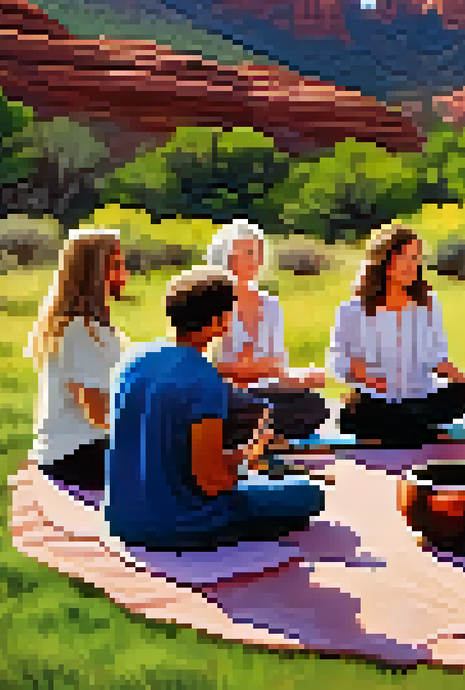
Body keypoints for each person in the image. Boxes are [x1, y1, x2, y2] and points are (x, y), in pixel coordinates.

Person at [105, 266, 326, 551]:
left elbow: (168, 452)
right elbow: (211, 482)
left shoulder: (132, 360)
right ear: (220, 320)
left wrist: (242, 454)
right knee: (308, 494)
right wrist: (248, 465)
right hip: (175, 525)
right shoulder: (203, 378)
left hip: (122, 519)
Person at [328, 224, 465, 448]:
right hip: (376, 400)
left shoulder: (427, 303)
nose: (414, 265)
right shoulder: (353, 308)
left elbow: (437, 355)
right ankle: (417, 430)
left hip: (420, 397)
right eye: (407, 258)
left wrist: (464, 382)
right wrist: (357, 371)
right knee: (354, 416)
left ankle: (402, 429)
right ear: (385, 262)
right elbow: (335, 359)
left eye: (417, 258)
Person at [203, 220, 330, 443]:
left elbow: (277, 365)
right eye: (249, 252)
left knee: (315, 405)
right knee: (232, 407)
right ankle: (261, 433)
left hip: (264, 391)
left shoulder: (270, 304)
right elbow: (211, 366)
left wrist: (301, 377)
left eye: (259, 252)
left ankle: (259, 431)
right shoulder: (212, 300)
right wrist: (253, 368)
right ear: (227, 256)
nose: (257, 260)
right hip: (226, 393)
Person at [25, 229, 129, 493]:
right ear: (94, 273)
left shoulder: (96, 328)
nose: (125, 271)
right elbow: (95, 410)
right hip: (73, 454)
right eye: (116, 265)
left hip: (89, 446)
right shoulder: (79, 331)